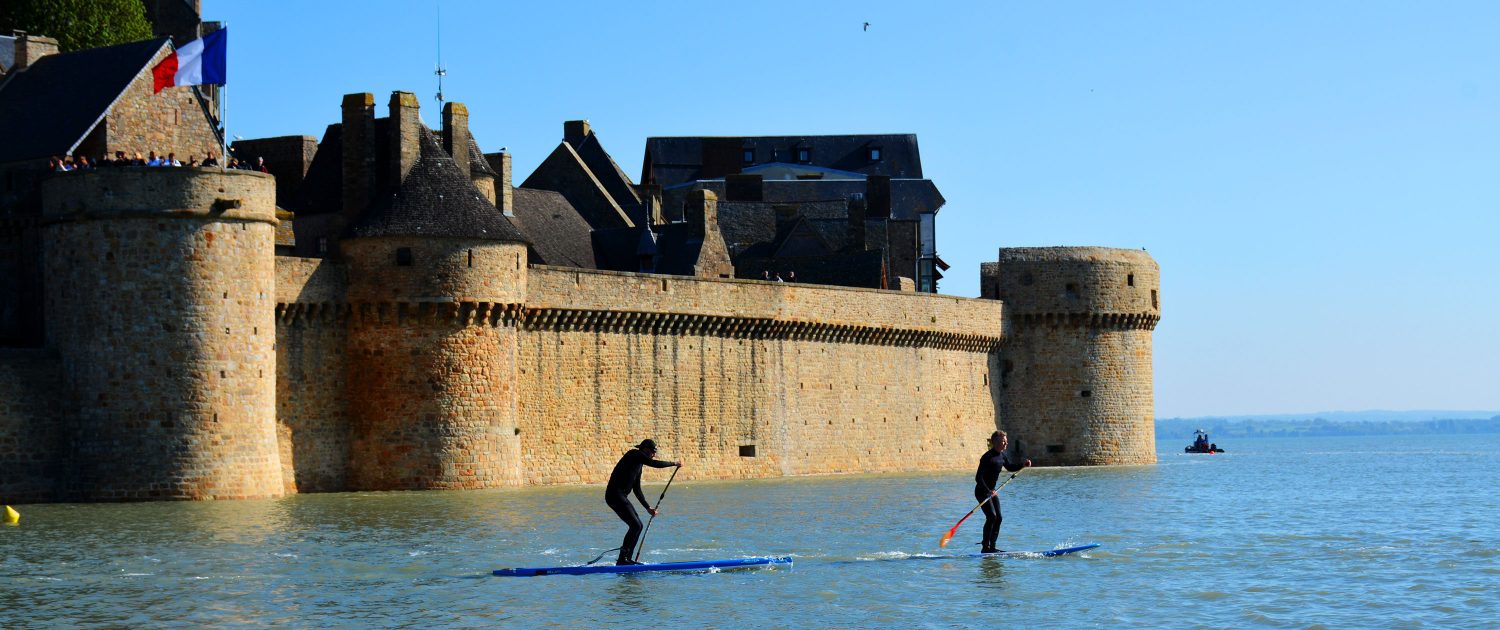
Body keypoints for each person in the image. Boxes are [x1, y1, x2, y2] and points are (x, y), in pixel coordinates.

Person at [605, 438, 680, 565]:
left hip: (620, 496)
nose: (654, 455)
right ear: (645, 449)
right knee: (636, 525)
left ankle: (627, 559)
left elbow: (637, 489)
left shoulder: (639, 465)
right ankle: (622, 560)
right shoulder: (634, 454)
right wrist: (674, 463)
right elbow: (655, 464)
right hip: (615, 495)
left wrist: (647, 507)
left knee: (638, 525)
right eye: (653, 451)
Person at [974, 430, 1029, 553]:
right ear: (995, 442)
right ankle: (985, 547)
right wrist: (988, 491)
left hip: (992, 491)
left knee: (999, 517)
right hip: (982, 491)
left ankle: (992, 547)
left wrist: (1023, 465)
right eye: (1004, 441)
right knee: (991, 516)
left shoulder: (1002, 456)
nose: (1006, 443)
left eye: (1006, 441)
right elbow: (978, 478)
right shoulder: (987, 457)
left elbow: (1010, 467)